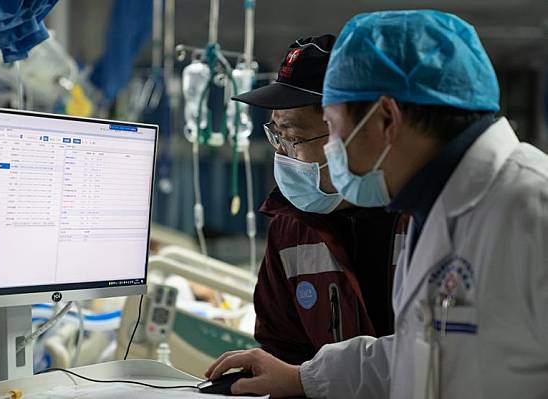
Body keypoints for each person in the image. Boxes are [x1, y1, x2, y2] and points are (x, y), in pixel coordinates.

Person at [205, 10, 548, 399]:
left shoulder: (533, 208)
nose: (332, 148)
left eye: (333, 127)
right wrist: (304, 378)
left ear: (386, 118)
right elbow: (415, 355)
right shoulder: (433, 213)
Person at [232, 34, 406, 365]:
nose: (283, 155)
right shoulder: (290, 229)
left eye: (294, 137)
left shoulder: (424, 221)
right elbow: (283, 354)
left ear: (352, 131)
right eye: (277, 136)